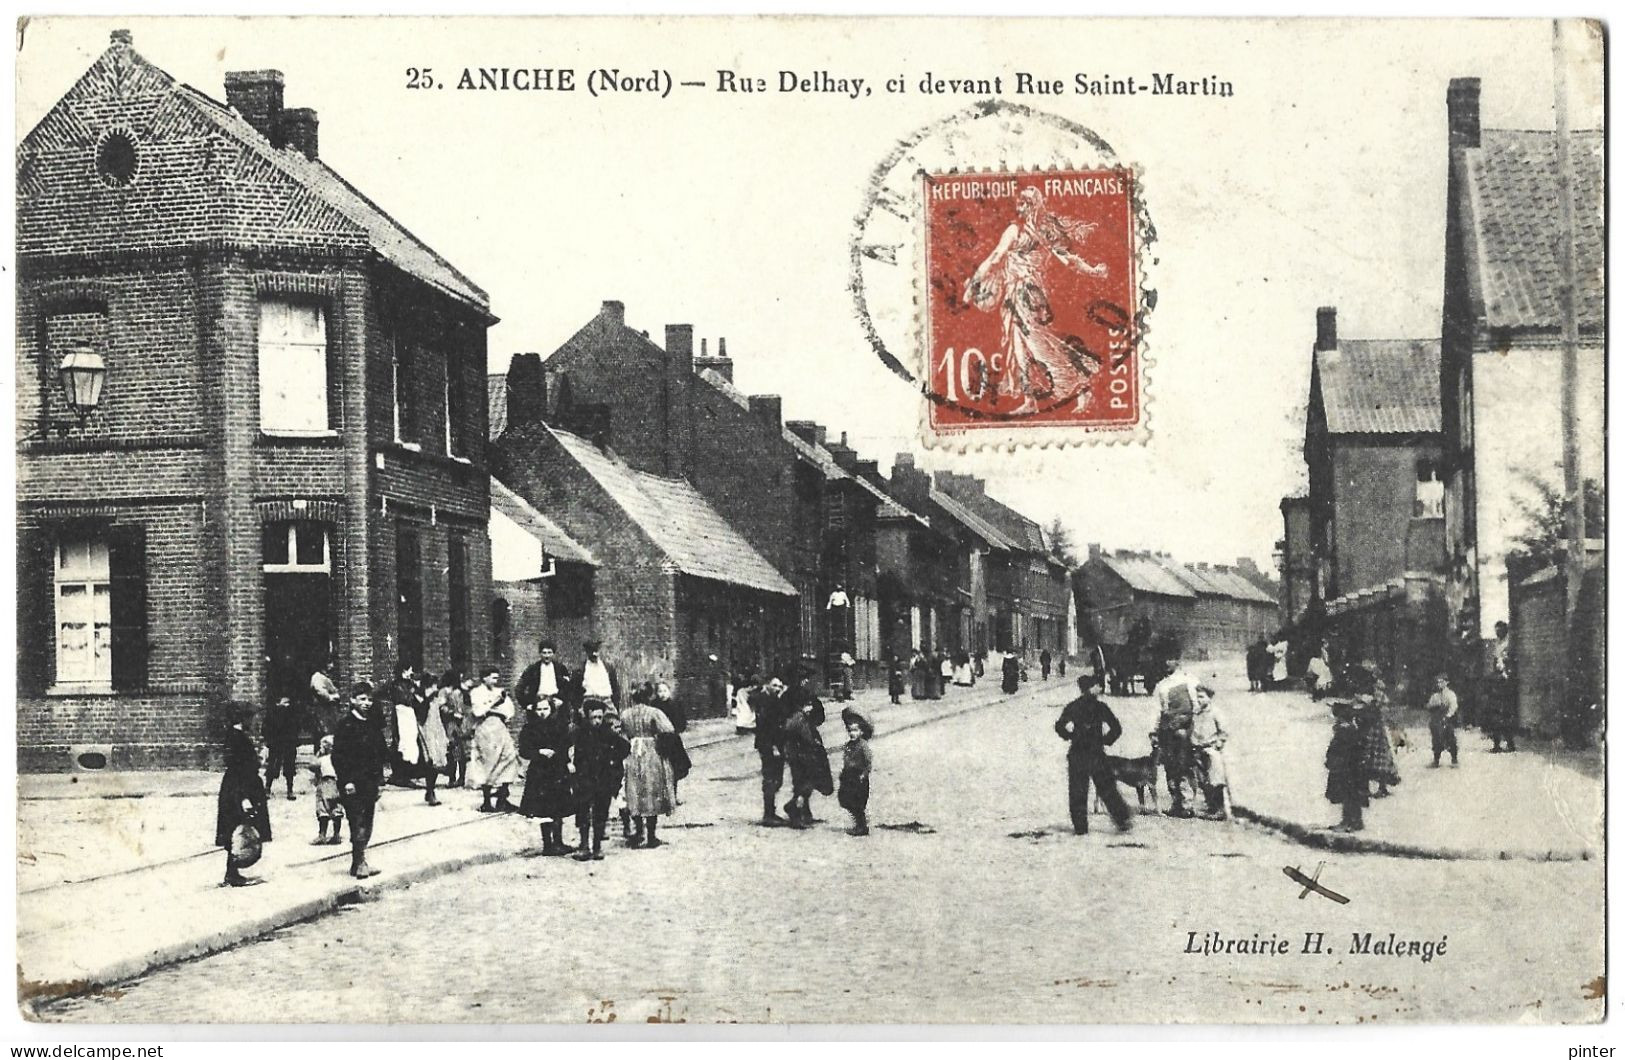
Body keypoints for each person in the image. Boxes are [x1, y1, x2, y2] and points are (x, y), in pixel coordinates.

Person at [962, 185, 1108, 414]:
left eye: (1023, 204)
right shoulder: (1038, 231)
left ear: (1030, 206)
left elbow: (995, 258)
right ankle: (1031, 400)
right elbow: (1068, 260)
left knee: (1038, 345)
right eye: (1019, 203)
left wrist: (973, 285)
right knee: (1019, 347)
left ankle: (1080, 385)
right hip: (1019, 294)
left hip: (1025, 294)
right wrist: (1093, 271)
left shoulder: (1020, 231)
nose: (1019, 208)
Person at [1054, 673, 1132, 835]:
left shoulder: (1073, 706)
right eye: (1097, 685)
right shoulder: (1100, 707)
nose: (1100, 688)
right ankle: (1122, 820)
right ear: (1089, 688)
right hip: (1096, 754)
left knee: (1077, 791)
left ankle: (1080, 827)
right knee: (1107, 788)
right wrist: (1105, 740)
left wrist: (1070, 736)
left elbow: (1059, 726)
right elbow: (1116, 728)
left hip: (1077, 753)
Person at [332, 682, 386, 878]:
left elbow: (379, 754)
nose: (367, 703)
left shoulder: (372, 725)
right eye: (362, 699)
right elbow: (338, 756)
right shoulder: (345, 725)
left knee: (368, 821)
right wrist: (346, 781)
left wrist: (380, 781)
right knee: (357, 822)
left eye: (369, 699)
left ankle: (358, 862)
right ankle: (360, 861)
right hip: (352, 783)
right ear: (352, 700)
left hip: (370, 782)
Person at [216, 702, 272, 887]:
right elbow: (238, 768)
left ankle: (232, 871)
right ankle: (232, 873)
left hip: (239, 787)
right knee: (238, 829)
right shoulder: (236, 738)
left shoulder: (237, 736)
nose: (254, 721)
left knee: (237, 828)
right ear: (244, 718)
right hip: (239, 789)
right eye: (252, 717)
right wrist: (244, 798)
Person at [571, 702, 630, 861]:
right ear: (587, 716)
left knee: (601, 813)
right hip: (584, 778)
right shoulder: (580, 732)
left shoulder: (607, 733)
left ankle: (597, 847)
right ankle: (584, 846)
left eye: (599, 717)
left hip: (603, 779)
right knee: (583, 812)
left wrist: (612, 760)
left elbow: (624, 748)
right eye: (593, 717)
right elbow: (569, 749)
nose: (596, 721)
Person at [620, 684, 677, 847]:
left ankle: (638, 832)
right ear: (649, 696)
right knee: (652, 790)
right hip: (651, 753)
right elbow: (669, 730)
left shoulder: (625, 714)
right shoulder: (654, 713)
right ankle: (651, 836)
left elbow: (622, 733)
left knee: (635, 790)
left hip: (632, 753)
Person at [518, 697, 574, 856]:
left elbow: (565, 746)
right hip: (539, 772)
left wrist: (566, 761)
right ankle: (547, 844)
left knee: (558, 807)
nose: (542, 713)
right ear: (534, 711)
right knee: (543, 809)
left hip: (557, 770)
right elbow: (524, 750)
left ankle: (559, 841)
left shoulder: (560, 727)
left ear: (551, 709)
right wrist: (539, 752)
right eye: (539, 709)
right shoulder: (529, 729)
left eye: (545, 709)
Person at [782, 678, 832, 829]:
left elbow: (818, 717)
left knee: (805, 783)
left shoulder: (803, 713)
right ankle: (795, 811)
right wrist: (815, 745)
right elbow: (805, 736)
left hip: (801, 753)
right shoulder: (798, 717)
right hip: (800, 754)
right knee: (803, 783)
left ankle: (803, 812)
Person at [468, 668, 520, 812]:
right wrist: (494, 704)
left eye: (497, 678)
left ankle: (502, 799)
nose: (495, 680)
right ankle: (486, 802)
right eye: (492, 677)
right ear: (484, 678)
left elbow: (509, 710)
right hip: (486, 728)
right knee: (489, 763)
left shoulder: (499, 691)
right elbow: (478, 711)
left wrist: (498, 706)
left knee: (509, 758)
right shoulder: (476, 692)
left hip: (500, 727)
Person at [1154, 660, 1201, 817]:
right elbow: (1158, 710)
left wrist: (1184, 722)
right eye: (1164, 658)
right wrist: (1154, 732)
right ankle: (1176, 803)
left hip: (1184, 730)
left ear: (1177, 661)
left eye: (1170, 659)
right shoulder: (1161, 685)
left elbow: (1197, 706)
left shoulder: (1190, 680)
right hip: (1167, 730)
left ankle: (1187, 804)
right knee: (1170, 765)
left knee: (1185, 765)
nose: (1166, 663)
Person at [750, 675, 790, 826]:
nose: (778, 688)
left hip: (775, 745)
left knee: (776, 778)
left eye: (780, 686)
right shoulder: (765, 702)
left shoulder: (774, 700)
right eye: (775, 685)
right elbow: (765, 728)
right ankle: (768, 814)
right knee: (771, 778)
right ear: (767, 685)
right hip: (769, 745)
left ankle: (771, 812)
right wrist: (773, 747)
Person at [1325, 700, 1369, 832]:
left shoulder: (1344, 730)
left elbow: (1340, 749)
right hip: (1352, 767)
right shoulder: (1351, 729)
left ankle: (1350, 822)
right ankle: (1354, 821)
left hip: (1346, 768)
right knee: (1351, 795)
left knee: (1348, 794)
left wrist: (1333, 760)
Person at [1190, 683, 1230, 820]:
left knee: (1215, 779)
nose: (1199, 700)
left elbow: (1223, 732)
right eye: (1197, 697)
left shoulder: (1215, 712)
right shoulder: (1196, 713)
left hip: (1210, 749)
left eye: (1201, 697)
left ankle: (1220, 809)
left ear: (1209, 698)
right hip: (1197, 749)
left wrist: (1218, 744)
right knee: (1202, 780)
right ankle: (1211, 806)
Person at [384, 662, 424, 788]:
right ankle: (400, 775)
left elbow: (419, 699)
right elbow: (405, 699)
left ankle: (410, 772)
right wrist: (413, 693)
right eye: (408, 670)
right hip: (402, 715)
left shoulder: (410, 684)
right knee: (402, 743)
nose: (410, 673)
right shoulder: (397, 685)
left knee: (411, 743)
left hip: (410, 716)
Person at [432, 670, 473, 789]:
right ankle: (452, 778)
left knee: (462, 752)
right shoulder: (444, 691)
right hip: (450, 723)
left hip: (461, 724)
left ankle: (461, 778)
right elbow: (441, 707)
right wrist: (452, 713)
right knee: (453, 751)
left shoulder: (460, 692)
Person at [838, 707, 874, 837]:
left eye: (855, 730)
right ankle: (858, 822)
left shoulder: (863, 745)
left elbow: (868, 762)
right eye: (850, 730)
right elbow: (846, 760)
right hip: (849, 776)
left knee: (857, 802)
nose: (852, 733)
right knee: (845, 799)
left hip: (858, 777)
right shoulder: (849, 745)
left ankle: (861, 826)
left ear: (861, 732)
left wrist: (864, 774)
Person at [515, 639, 573, 716]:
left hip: (556, 703)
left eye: (549, 653)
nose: (547, 656)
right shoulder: (532, 669)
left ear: (553, 654)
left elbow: (568, 688)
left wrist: (563, 700)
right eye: (544, 653)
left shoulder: (560, 668)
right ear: (540, 653)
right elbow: (519, 688)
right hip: (538, 703)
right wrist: (526, 705)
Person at [261, 692, 301, 802]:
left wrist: (294, 739)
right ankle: (268, 788)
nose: (286, 705)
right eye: (284, 703)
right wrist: (269, 740)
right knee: (273, 765)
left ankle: (290, 789)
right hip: (276, 742)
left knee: (290, 766)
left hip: (289, 742)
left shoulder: (292, 713)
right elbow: (265, 728)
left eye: (288, 703)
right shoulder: (272, 714)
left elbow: (296, 726)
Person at [1487, 621, 1518, 753]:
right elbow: (1495, 662)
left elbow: (1512, 663)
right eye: (1496, 631)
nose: (1497, 633)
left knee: (1506, 714)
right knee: (1495, 713)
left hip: (1507, 682)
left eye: (1499, 631)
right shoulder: (1496, 645)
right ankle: (1496, 744)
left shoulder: (1510, 645)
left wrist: (1507, 672)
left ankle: (1510, 743)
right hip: (1498, 681)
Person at [310, 733, 344, 846]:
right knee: (336, 809)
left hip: (325, 784)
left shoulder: (323, 759)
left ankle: (322, 835)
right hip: (337, 784)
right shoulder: (340, 758)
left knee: (322, 808)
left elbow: (312, 766)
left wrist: (318, 754)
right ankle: (336, 834)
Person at [576, 639, 623, 716]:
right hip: (588, 702)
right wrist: (578, 707)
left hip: (606, 701)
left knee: (613, 721)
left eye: (596, 651)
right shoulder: (581, 669)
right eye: (591, 651)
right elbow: (575, 690)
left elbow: (615, 688)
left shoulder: (608, 667)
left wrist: (614, 703)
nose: (594, 654)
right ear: (587, 652)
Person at [1426, 672, 1460, 768]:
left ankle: (1454, 759)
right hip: (1437, 720)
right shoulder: (1435, 696)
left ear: (1446, 682)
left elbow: (1454, 706)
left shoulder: (1450, 694)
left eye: (1441, 682)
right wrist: (1432, 705)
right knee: (1436, 739)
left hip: (1448, 719)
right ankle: (1436, 760)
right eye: (1438, 682)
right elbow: (1429, 706)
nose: (1439, 684)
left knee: (1451, 739)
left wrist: (1448, 716)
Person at [309, 659, 342, 739]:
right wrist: (331, 697)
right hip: (323, 710)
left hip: (327, 710)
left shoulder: (324, 676)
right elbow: (320, 691)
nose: (332, 666)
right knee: (325, 733)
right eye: (330, 663)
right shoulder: (318, 677)